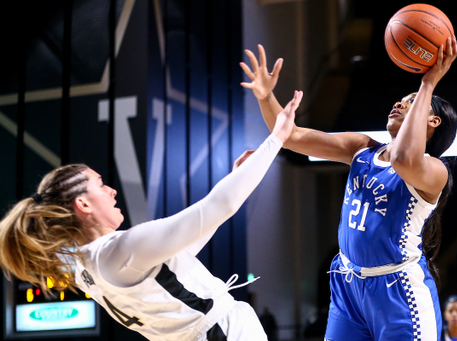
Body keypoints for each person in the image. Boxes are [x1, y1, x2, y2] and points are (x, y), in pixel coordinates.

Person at [0, 91, 303, 341]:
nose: (112, 191)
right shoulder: (118, 251)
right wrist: (276, 138)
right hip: (221, 333)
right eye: (101, 185)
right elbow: (219, 206)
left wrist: (238, 177)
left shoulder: (85, 267)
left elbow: (181, 252)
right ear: (83, 205)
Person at [240, 37, 457, 341]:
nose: (398, 103)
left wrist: (429, 81)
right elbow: (292, 136)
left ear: (431, 119)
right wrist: (266, 97)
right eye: (402, 98)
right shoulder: (362, 148)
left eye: (409, 101)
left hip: (399, 292)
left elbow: (403, 158)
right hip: (348, 283)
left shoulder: (435, 170)